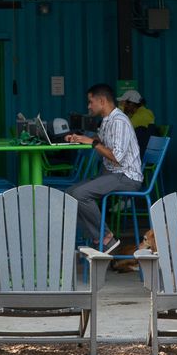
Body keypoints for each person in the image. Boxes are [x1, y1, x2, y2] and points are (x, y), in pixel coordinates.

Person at [65, 84, 143, 252]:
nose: (88, 106)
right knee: (70, 194)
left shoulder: (119, 121)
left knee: (80, 194)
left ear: (102, 101)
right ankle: (97, 238)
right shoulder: (108, 120)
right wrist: (80, 138)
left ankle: (105, 237)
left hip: (127, 176)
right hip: (111, 174)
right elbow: (98, 139)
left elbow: (116, 157)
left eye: (90, 102)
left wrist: (92, 143)